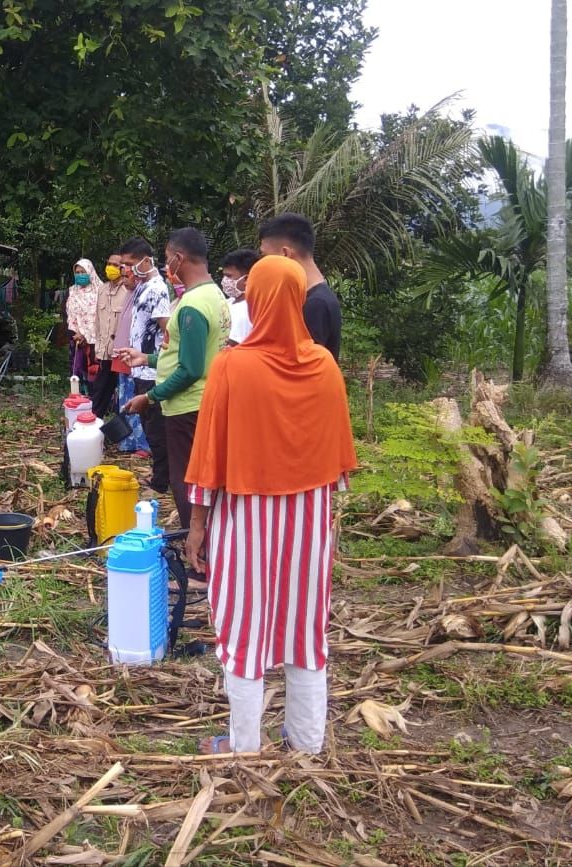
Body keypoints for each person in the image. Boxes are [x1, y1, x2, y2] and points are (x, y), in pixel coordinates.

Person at [182, 256, 357, 755]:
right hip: (309, 524)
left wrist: (197, 528)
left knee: (243, 624)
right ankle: (306, 742)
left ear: (255, 300)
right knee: (305, 627)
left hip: (246, 522)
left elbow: (209, 456)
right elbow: (337, 460)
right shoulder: (323, 365)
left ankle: (244, 747)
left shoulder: (234, 367)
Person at [119, 228, 230, 529]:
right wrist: (147, 358)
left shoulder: (192, 306)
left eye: (168, 259)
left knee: (186, 482)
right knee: (201, 480)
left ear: (179, 259)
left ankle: (197, 549)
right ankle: (205, 541)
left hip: (186, 407)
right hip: (206, 400)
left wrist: (150, 396)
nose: (167, 266)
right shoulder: (215, 295)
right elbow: (189, 355)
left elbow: (190, 369)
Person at [117, 237, 171, 489]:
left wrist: (158, 360)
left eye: (129, 264)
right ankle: (161, 473)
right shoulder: (142, 285)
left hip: (152, 370)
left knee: (156, 428)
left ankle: (162, 479)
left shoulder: (158, 289)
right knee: (150, 426)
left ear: (146, 261)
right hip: (141, 365)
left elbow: (166, 330)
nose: (125, 269)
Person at [258, 213, 341, 362]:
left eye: (265, 256)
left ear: (285, 254)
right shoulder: (309, 297)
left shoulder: (316, 304)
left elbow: (300, 366)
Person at [90, 253, 131, 418]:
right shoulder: (102, 289)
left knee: (124, 395)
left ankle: (124, 434)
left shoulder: (128, 291)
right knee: (100, 393)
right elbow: (98, 323)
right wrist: (97, 350)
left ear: (122, 268)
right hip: (105, 353)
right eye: (109, 264)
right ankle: (95, 430)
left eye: (115, 265)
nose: (110, 268)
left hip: (122, 354)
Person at [65, 259, 100, 383]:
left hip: (96, 341)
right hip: (76, 339)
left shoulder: (100, 291)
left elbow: (102, 317)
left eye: (83, 272)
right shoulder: (72, 291)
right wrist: (76, 334)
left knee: (95, 374)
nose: (80, 275)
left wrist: (87, 335)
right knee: (77, 374)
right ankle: (79, 400)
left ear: (90, 272)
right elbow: (70, 315)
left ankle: (96, 401)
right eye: (77, 272)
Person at [219, 249, 259, 345]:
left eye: (229, 276)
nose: (225, 280)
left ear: (246, 279)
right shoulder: (228, 302)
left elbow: (233, 343)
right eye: (224, 276)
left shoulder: (248, 309)